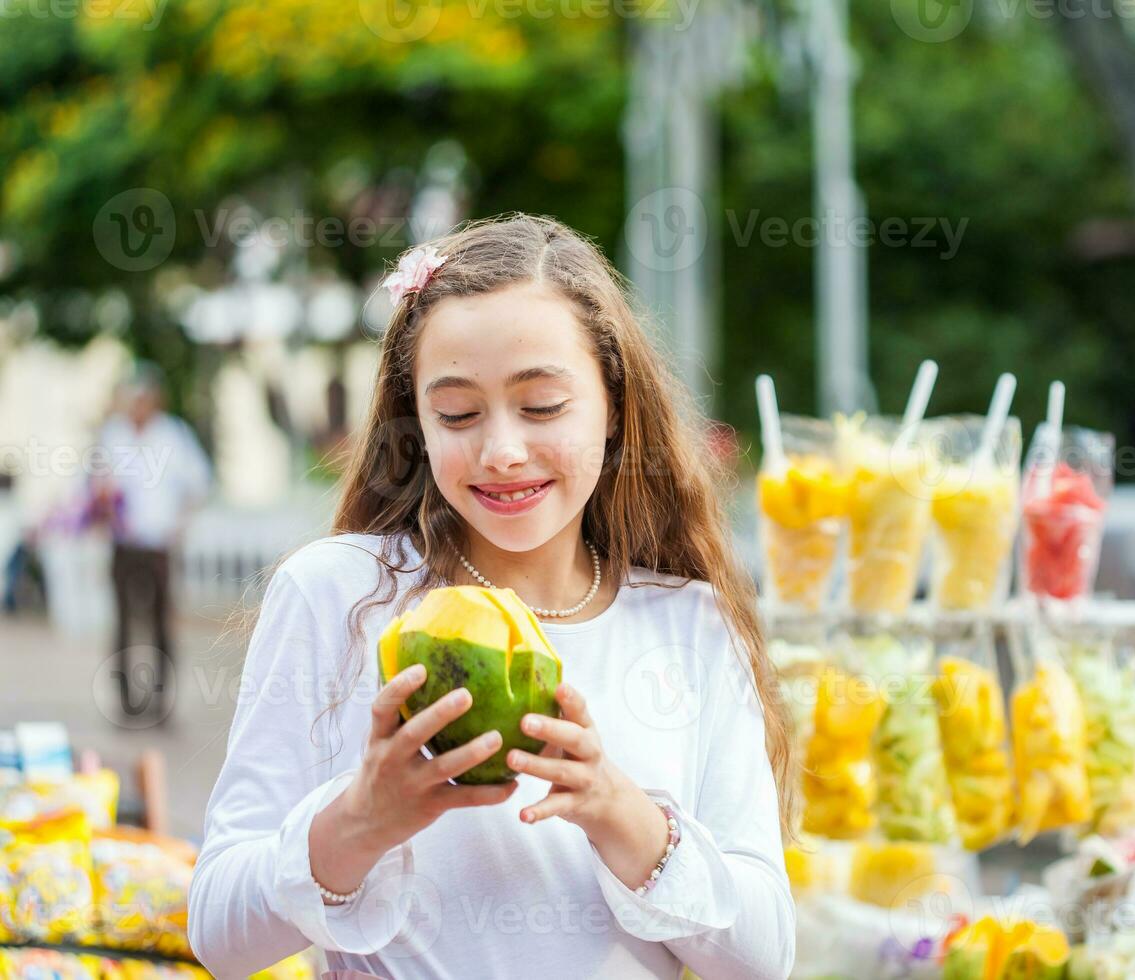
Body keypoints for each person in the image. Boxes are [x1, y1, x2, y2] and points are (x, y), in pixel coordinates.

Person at [188, 216, 797, 979]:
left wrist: (618, 810)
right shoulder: (338, 594)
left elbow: (764, 958)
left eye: (542, 406)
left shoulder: (689, 623)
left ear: (614, 407)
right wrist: (360, 819)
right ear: (417, 423)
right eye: (457, 415)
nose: (502, 451)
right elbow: (217, 933)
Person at [95, 363, 211, 719]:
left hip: (158, 544)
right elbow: (95, 484)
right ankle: (126, 701)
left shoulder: (173, 435)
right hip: (124, 544)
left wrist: (179, 524)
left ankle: (161, 700)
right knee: (124, 622)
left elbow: (199, 483)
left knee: (161, 622)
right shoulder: (113, 434)